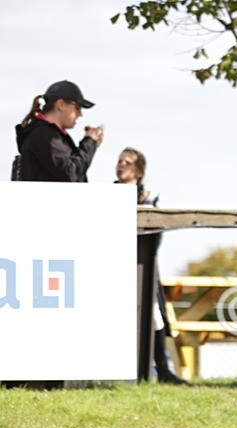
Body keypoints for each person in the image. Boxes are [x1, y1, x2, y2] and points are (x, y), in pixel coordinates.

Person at [116, 148, 187, 385]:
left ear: (138, 170)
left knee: (153, 316)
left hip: (142, 267)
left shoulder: (149, 198)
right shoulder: (109, 194)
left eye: (127, 162)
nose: (121, 166)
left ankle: (162, 369)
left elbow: (154, 237)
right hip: (114, 265)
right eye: (119, 161)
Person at [14, 80, 103, 182]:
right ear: (61, 105)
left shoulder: (48, 135)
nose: (80, 114)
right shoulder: (44, 136)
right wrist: (89, 142)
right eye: (77, 108)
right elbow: (70, 173)